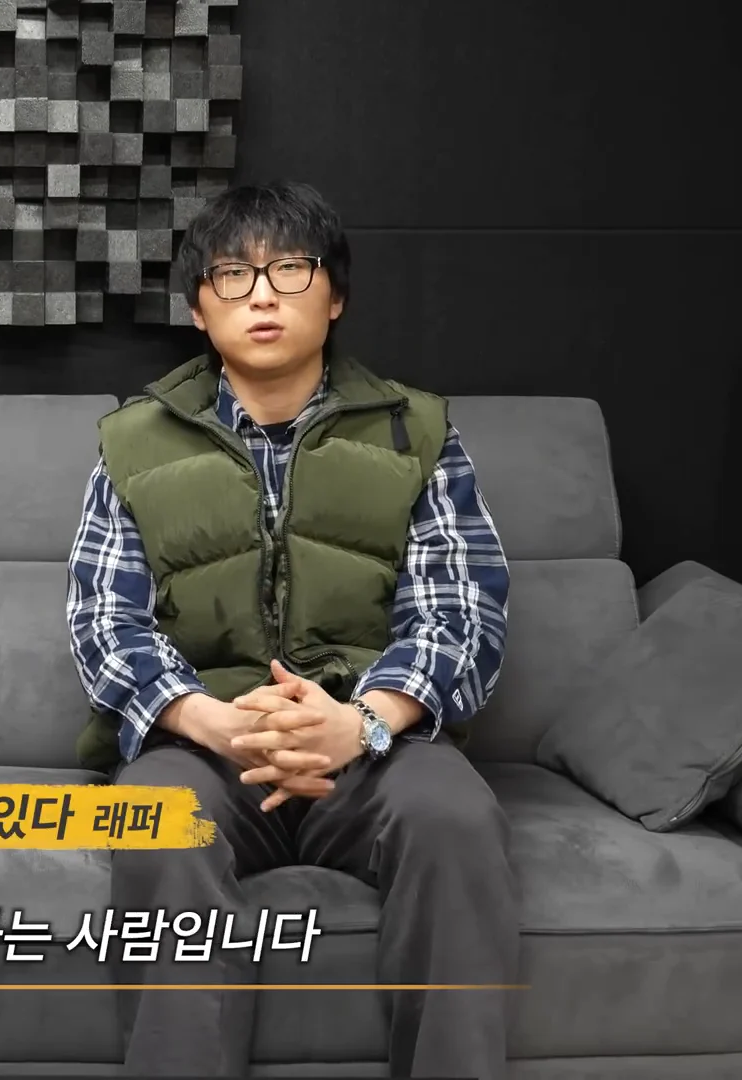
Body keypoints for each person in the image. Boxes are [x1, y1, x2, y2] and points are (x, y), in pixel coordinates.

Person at [65, 180, 518, 1079]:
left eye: (290, 270)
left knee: (455, 817)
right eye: (233, 275)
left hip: (375, 744)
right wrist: (212, 721)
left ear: (335, 295)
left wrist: (364, 722)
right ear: (198, 309)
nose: (263, 295)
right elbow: (104, 623)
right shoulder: (133, 441)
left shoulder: (418, 432)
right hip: (205, 746)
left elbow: (461, 608)